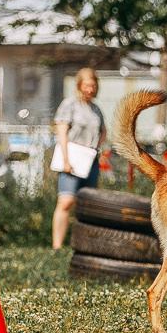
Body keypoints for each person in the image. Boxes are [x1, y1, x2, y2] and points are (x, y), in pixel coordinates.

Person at [52, 67, 106, 248]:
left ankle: (83, 244)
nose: (89, 89)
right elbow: (61, 132)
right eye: (86, 85)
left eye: (93, 86)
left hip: (90, 161)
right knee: (66, 201)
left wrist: (97, 149)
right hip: (72, 159)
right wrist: (66, 160)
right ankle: (57, 246)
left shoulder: (96, 109)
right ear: (79, 85)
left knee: (87, 205)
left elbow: (103, 131)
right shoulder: (70, 105)